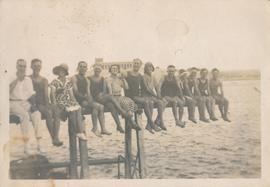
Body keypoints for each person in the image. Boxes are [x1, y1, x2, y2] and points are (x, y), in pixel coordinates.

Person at [10, 59, 44, 155]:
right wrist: (17, 79)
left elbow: (31, 94)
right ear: (16, 66)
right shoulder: (10, 77)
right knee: (25, 116)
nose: (22, 68)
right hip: (13, 102)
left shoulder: (28, 79)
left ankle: (39, 143)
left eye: (24, 66)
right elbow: (6, 92)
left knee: (37, 114)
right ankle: (26, 146)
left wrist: (33, 106)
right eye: (20, 66)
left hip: (25, 103)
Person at [71, 61, 111, 137]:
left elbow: (88, 91)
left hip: (86, 100)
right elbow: (75, 92)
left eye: (84, 67)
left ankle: (101, 128)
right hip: (78, 100)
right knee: (99, 107)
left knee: (96, 108)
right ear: (78, 67)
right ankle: (96, 128)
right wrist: (85, 97)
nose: (83, 68)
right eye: (81, 66)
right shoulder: (74, 77)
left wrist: (90, 99)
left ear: (86, 68)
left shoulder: (86, 79)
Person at [30, 59, 63, 147]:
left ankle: (56, 136)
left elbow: (45, 94)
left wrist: (48, 104)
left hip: (43, 102)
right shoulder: (28, 78)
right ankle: (54, 138)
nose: (37, 67)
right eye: (35, 65)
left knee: (56, 111)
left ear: (41, 67)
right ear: (31, 67)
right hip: (35, 103)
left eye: (39, 65)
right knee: (48, 113)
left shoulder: (44, 79)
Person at [50, 63, 87, 141]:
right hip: (59, 101)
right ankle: (78, 131)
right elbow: (52, 94)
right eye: (60, 71)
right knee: (71, 111)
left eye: (63, 71)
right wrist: (54, 104)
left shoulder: (68, 82)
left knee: (77, 108)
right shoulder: (55, 81)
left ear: (65, 72)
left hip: (67, 101)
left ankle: (79, 131)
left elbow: (71, 94)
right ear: (58, 72)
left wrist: (75, 102)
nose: (61, 72)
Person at [88, 64, 127, 133]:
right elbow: (105, 91)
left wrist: (123, 79)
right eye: (96, 69)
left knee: (111, 106)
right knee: (111, 97)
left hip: (106, 99)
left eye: (99, 69)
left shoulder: (103, 78)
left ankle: (119, 126)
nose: (97, 70)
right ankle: (121, 111)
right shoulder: (91, 78)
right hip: (98, 98)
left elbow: (104, 90)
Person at [125, 59, 161, 134]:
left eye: (138, 64)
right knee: (146, 102)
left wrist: (155, 96)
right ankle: (151, 123)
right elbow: (121, 74)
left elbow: (144, 88)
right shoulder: (127, 73)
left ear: (140, 65)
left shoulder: (140, 76)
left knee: (149, 102)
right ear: (132, 64)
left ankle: (149, 124)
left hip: (137, 96)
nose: (136, 65)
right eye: (135, 63)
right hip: (129, 97)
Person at [106, 64, 141, 130]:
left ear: (118, 70)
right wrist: (114, 99)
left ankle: (130, 118)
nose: (115, 70)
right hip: (113, 97)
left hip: (119, 96)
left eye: (116, 69)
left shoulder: (119, 79)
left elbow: (127, 87)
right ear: (110, 70)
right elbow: (110, 91)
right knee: (125, 103)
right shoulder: (108, 79)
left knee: (130, 101)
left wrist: (123, 79)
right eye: (113, 68)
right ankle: (132, 122)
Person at [141, 62, 167, 131]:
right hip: (145, 95)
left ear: (152, 68)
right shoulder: (143, 76)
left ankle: (159, 120)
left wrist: (159, 95)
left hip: (152, 96)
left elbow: (157, 87)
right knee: (151, 104)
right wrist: (155, 96)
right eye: (147, 67)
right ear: (145, 69)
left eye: (150, 67)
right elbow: (147, 89)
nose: (149, 68)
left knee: (163, 102)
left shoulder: (153, 76)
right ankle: (149, 124)